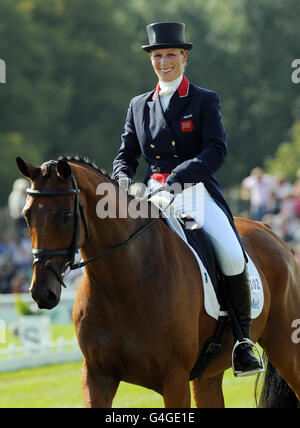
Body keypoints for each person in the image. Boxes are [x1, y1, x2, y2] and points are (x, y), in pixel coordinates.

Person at [113, 22, 262, 374]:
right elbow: (126, 155)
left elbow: (216, 149)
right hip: (150, 194)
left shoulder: (203, 99)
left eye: (170, 55)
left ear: (184, 56)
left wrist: (180, 177)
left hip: (194, 191)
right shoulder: (138, 105)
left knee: (230, 254)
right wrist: (121, 180)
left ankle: (242, 342)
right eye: (157, 56)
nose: (163, 62)